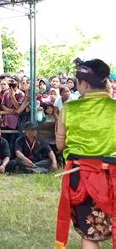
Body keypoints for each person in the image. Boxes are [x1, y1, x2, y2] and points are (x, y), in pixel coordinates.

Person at [54, 59, 116, 249]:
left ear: (85, 84)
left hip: (81, 177)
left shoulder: (69, 109)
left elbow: (60, 145)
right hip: (112, 176)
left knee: (90, 233)